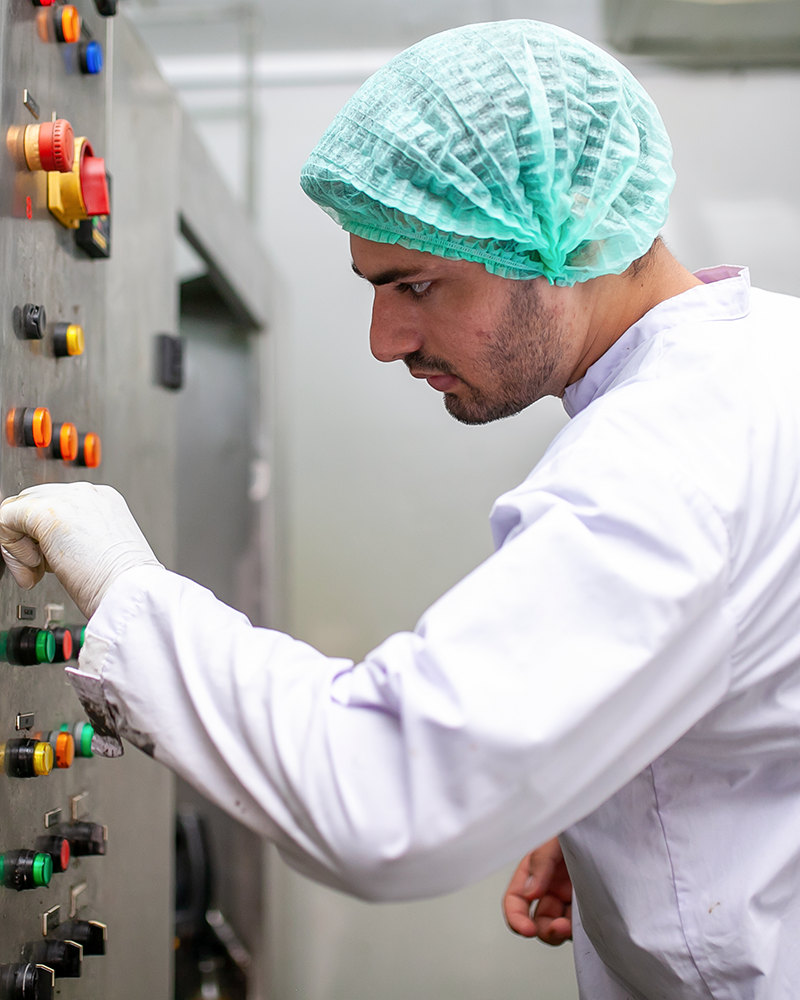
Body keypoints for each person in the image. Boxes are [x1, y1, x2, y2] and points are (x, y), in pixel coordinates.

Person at [0, 19, 798, 1000]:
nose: (385, 340)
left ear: (568, 235)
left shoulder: (667, 454)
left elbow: (380, 794)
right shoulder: (761, 359)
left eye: (417, 284)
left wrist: (122, 583)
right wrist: (626, 781)